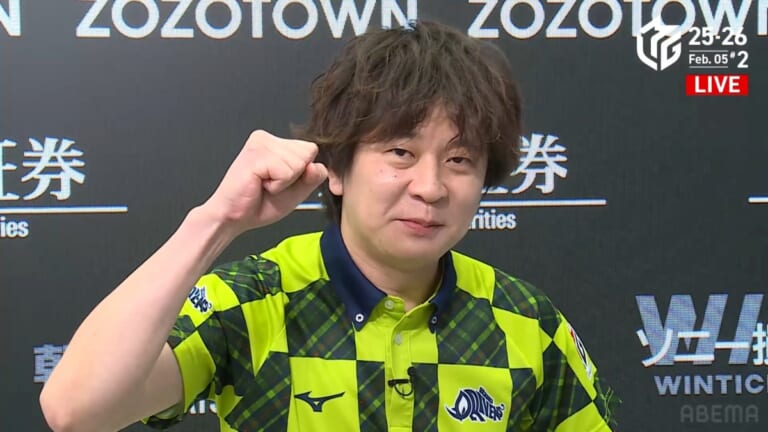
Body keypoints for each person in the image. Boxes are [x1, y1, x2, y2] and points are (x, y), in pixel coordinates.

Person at [40, 20, 618, 431]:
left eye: (460, 159)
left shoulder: (525, 323)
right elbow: (75, 411)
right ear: (336, 167)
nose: (431, 186)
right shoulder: (252, 301)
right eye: (400, 152)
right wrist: (215, 222)